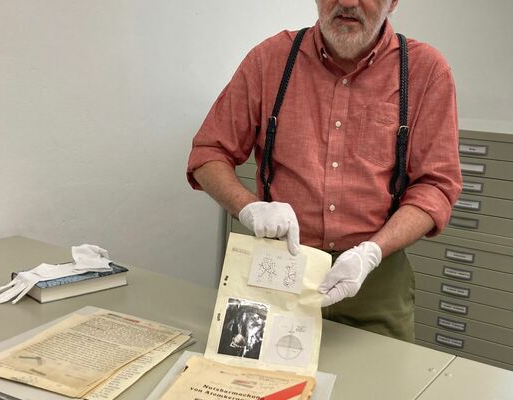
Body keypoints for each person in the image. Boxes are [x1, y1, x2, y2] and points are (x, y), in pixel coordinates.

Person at [186, 0, 461, 342]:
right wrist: (248, 206)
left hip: (374, 280)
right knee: (255, 386)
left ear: (393, 2)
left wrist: (372, 251)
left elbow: (436, 185)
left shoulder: (425, 71)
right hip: (278, 269)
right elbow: (208, 152)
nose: (346, 2)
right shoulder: (269, 60)